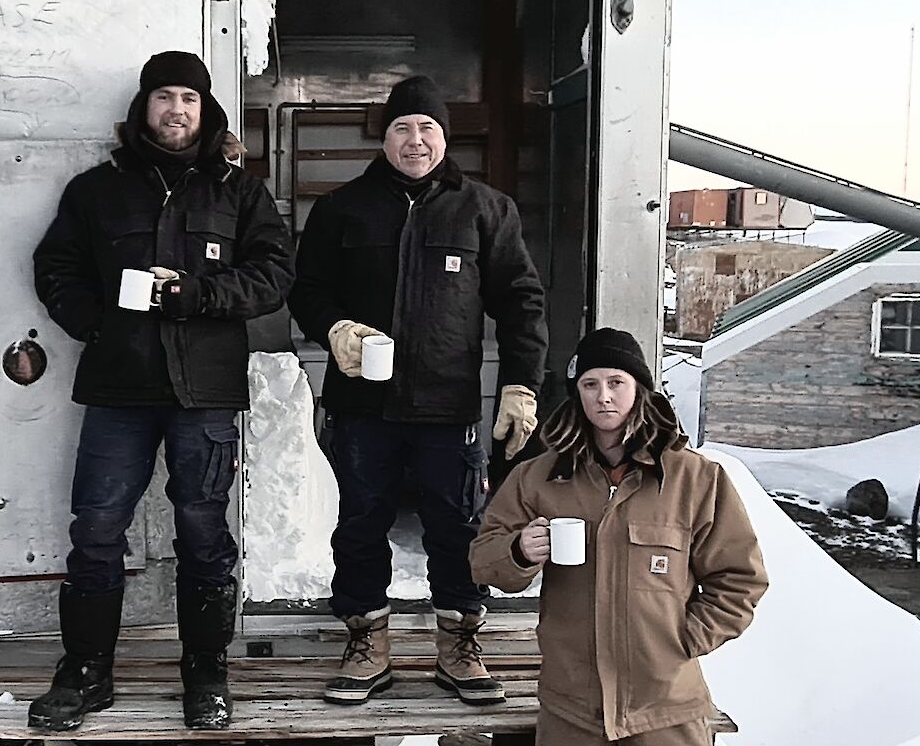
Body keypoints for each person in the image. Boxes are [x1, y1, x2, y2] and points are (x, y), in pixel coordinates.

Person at [29, 50, 294, 731]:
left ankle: (205, 671)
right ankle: (86, 670)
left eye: (189, 98)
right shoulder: (97, 190)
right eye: (164, 97)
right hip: (119, 390)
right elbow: (55, 266)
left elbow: (273, 275)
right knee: (96, 530)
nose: (176, 109)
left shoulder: (239, 192)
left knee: (204, 533)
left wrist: (196, 295)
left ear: (206, 111)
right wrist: (98, 326)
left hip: (203, 392)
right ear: (143, 107)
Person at [287, 75, 548, 705]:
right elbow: (306, 289)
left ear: (444, 136)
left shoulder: (486, 209)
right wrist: (334, 327)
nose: (414, 140)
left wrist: (520, 385)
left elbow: (521, 302)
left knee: (456, 524)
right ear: (384, 138)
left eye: (427, 127)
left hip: (446, 402)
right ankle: (365, 640)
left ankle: (459, 640)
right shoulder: (342, 208)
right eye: (402, 127)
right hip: (361, 405)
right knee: (360, 522)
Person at [470, 327, 768, 745]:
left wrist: (684, 639)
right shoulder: (539, 476)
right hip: (570, 708)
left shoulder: (695, 479)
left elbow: (740, 578)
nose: (603, 396)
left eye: (616, 383)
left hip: (665, 709)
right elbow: (484, 560)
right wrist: (518, 550)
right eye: (590, 384)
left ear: (640, 389)